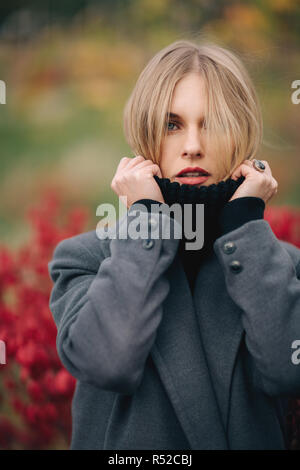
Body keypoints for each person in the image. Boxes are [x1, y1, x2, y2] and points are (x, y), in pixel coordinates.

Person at [48, 40, 300, 450]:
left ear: (241, 132)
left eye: (213, 122)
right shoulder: (85, 259)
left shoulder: (281, 266)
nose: (193, 146)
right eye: (172, 124)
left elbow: (288, 369)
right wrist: (145, 217)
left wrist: (244, 225)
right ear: (145, 135)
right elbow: (107, 362)